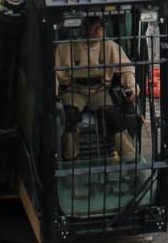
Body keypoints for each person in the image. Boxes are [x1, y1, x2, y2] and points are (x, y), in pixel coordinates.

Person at [53, 14, 138, 161]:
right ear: (84, 28)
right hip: (74, 91)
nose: (99, 31)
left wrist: (131, 87)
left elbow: (126, 69)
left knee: (114, 118)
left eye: (101, 27)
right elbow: (54, 74)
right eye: (95, 27)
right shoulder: (65, 48)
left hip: (100, 90)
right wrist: (53, 95)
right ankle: (71, 161)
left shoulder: (110, 47)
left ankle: (130, 159)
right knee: (69, 118)